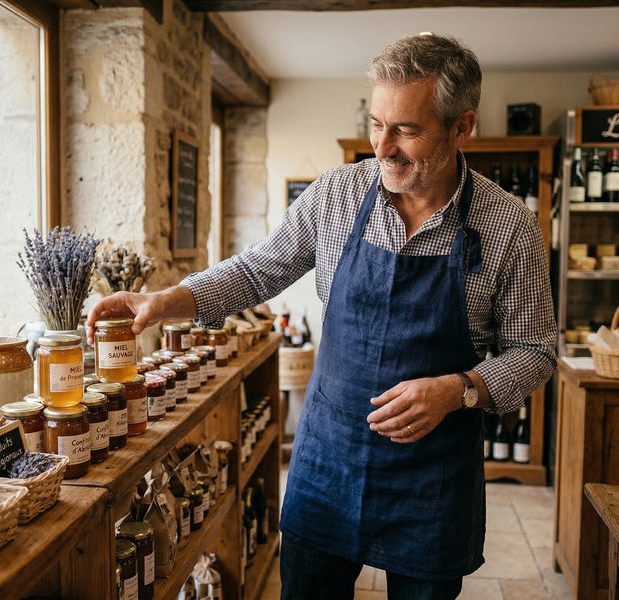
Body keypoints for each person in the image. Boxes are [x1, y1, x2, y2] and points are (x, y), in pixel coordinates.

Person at [87, 33, 556, 600]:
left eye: (407, 129)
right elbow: (258, 271)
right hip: (329, 463)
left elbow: (536, 351)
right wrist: (164, 300)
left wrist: (460, 390)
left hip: (432, 482)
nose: (383, 146)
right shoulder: (336, 193)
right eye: (376, 123)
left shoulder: (509, 226)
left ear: (462, 127)